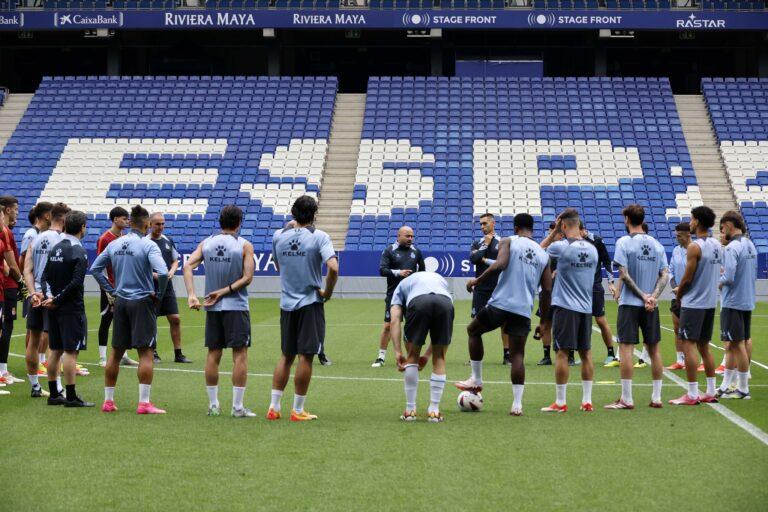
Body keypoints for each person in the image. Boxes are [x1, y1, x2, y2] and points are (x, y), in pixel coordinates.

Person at [459, 213, 552, 416]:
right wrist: (544, 322)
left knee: (473, 330)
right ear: (532, 229)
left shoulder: (508, 241)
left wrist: (476, 281)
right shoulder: (543, 254)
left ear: (515, 227)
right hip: (523, 310)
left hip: (501, 304)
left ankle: (476, 378)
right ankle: (517, 405)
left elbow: (500, 264)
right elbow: (547, 291)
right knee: (517, 355)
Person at [91, 205, 170, 414]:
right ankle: (144, 403)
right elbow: (162, 272)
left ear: (130, 222)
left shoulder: (115, 244)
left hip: (121, 302)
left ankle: (108, 401)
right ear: (146, 224)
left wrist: (111, 290)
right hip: (142, 300)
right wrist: (159, 296)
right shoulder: (148, 245)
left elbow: (95, 269)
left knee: (116, 352)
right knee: (146, 352)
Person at [268, 196, 338, 422]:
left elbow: (277, 265)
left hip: (286, 302)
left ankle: (274, 407)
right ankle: (297, 410)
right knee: (306, 357)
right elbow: (333, 267)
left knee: (286, 355)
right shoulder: (319, 237)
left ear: (292, 212)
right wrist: (327, 292)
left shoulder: (278, 236)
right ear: (314, 214)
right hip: (309, 302)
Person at [184, 205, 255, 417]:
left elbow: (187, 266)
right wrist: (224, 292)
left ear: (220, 221)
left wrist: (191, 294)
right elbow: (248, 278)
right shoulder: (244, 245)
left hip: (212, 308)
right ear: (239, 223)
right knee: (240, 355)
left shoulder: (207, 243)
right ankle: (237, 407)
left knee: (213, 354)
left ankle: (213, 405)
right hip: (236, 307)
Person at [605, 204, 668, 410]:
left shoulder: (624, 242)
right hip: (651, 306)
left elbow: (623, 273)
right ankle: (657, 397)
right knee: (654, 350)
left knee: (626, 349)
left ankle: (627, 398)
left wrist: (642, 296)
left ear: (626, 219)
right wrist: (653, 297)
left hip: (630, 304)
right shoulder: (657, 244)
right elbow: (664, 274)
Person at [539, 209, 598, 413]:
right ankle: (587, 401)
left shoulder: (560, 247)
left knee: (562, 353)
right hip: (586, 307)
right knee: (586, 353)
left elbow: (537, 251)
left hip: (565, 307)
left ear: (563, 226)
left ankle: (561, 402)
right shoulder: (592, 249)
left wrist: (553, 233)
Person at [36, 211, 94, 407]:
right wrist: (58, 299)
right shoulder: (79, 251)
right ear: (82, 227)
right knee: (70, 352)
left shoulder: (55, 248)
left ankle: (54, 394)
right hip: (71, 308)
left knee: (55, 350)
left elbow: (43, 276)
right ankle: (71, 396)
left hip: (53, 307)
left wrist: (50, 297)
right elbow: (76, 282)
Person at [669, 206, 723, 406]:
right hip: (710, 302)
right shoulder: (717, 245)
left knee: (689, 345)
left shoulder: (694, 247)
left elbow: (687, 278)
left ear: (698, 221)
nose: (690, 223)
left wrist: (680, 295)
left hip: (693, 303)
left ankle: (692, 394)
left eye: (691, 219)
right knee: (704, 347)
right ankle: (710, 391)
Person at [390, 271, 454, 423]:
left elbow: (394, 321)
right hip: (445, 302)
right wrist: (427, 355)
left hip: (418, 302)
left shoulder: (400, 287)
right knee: (440, 358)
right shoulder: (441, 280)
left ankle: (410, 411)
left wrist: (398, 351)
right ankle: (434, 411)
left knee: (412, 357)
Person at [23, 202, 70, 398]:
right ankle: (57, 387)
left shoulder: (36, 238)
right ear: (64, 219)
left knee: (33, 341)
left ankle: (35, 386)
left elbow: (27, 270)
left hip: (36, 296)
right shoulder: (62, 240)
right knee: (55, 345)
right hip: (53, 298)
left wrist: (33, 292)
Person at [715, 211, 756, 400]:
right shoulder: (750, 245)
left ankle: (743, 389)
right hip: (747, 300)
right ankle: (725, 386)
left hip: (732, 302)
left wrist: (717, 281)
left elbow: (729, 277)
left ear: (730, 227)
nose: (722, 232)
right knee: (732, 344)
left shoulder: (732, 248)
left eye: (722, 229)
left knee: (736, 344)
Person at [371, 225, 425, 368]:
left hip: (412, 296)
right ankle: (381, 357)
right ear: (399, 236)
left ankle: (412, 357)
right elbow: (382, 270)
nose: (410, 239)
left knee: (411, 326)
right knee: (388, 325)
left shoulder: (416, 252)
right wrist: (398, 272)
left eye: (412, 236)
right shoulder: (389, 250)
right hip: (394, 295)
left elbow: (423, 272)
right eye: (407, 236)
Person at [96, 206, 138, 368]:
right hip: (110, 287)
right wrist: (107, 289)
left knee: (123, 321)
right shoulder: (105, 238)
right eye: (124, 218)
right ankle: (102, 357)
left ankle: (123, 355)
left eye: (128, 218)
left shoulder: (125, 238)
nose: (127, 221)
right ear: (115, 219)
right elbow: (100, 265)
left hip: (123, 286)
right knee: (106, 320)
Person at [147, 212, 191, 364]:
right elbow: (140, 265)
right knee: (151, 320)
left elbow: (175, 261)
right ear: (149, 224)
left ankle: (178, 354)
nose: (160, 227)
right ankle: (153, 352)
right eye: (157, 224)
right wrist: (154, 275)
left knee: (175, 319)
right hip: (150, 287)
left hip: (167, 287)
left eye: (162, 224)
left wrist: (171, 271)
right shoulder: (144, 242)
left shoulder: (168, 241)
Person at [468, 213, 510, 365]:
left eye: (485, 223)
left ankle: (507, 355)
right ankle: (474, 356)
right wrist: (485, 245)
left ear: (493, 223)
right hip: (480, 289)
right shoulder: (477, 242)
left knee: (505, 322)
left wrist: (484, 259)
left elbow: (503, 263)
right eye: (480, 224)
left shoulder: (503, 242)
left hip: (498, 287)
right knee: (475, 322)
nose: (482, 227)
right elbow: (473, 259)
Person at [19, 202, 53, 381]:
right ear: (47, 215)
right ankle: (34, 365)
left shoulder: (41, 235)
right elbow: (23, 260)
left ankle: (38, 362)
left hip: (36, 288)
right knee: (33, 331)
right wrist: (26, 287)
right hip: (34, 289)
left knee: (38, 330)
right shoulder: (32, 234)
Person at [580, 222, 618, 367]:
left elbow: (607, 261)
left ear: (583, 229)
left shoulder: (597, 240)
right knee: (583, 321)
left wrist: (610, 282)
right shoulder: (573, 242)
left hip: (595, 286)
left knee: (600, 320)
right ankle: (583, 354)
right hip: (579, 288)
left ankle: (610, 353)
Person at [0, 195, 26, 386]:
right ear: (7, 210)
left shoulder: (9, 231)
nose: (17, 211)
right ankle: (2, 370)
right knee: (5, 328)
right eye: (15, 208)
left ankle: (3, 370)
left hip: (7, 285)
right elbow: (10, 264)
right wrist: (22, 283)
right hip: (7, 285)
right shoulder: (5, 232)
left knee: (6, 328)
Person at [667, 222, 691, 370]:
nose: (676, 238)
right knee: (677, 329)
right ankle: (680, 360)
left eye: (679, 236)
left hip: (692, 296)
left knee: (693, 333)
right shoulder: (676, 250)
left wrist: (682, 288)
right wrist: (675, 286)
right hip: (678, 295)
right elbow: (670, 271)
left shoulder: (696, 249)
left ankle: (697, 360)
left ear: (688, 235)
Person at [535, 221, 557, 366]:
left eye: (553, 230)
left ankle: (570, 355)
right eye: (550, 231)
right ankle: (546, 356)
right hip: (546, 292)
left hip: (563, 291)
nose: (550, 233)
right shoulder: (546, 248)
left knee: (562, 324)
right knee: (546, 323)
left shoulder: (568, 247)